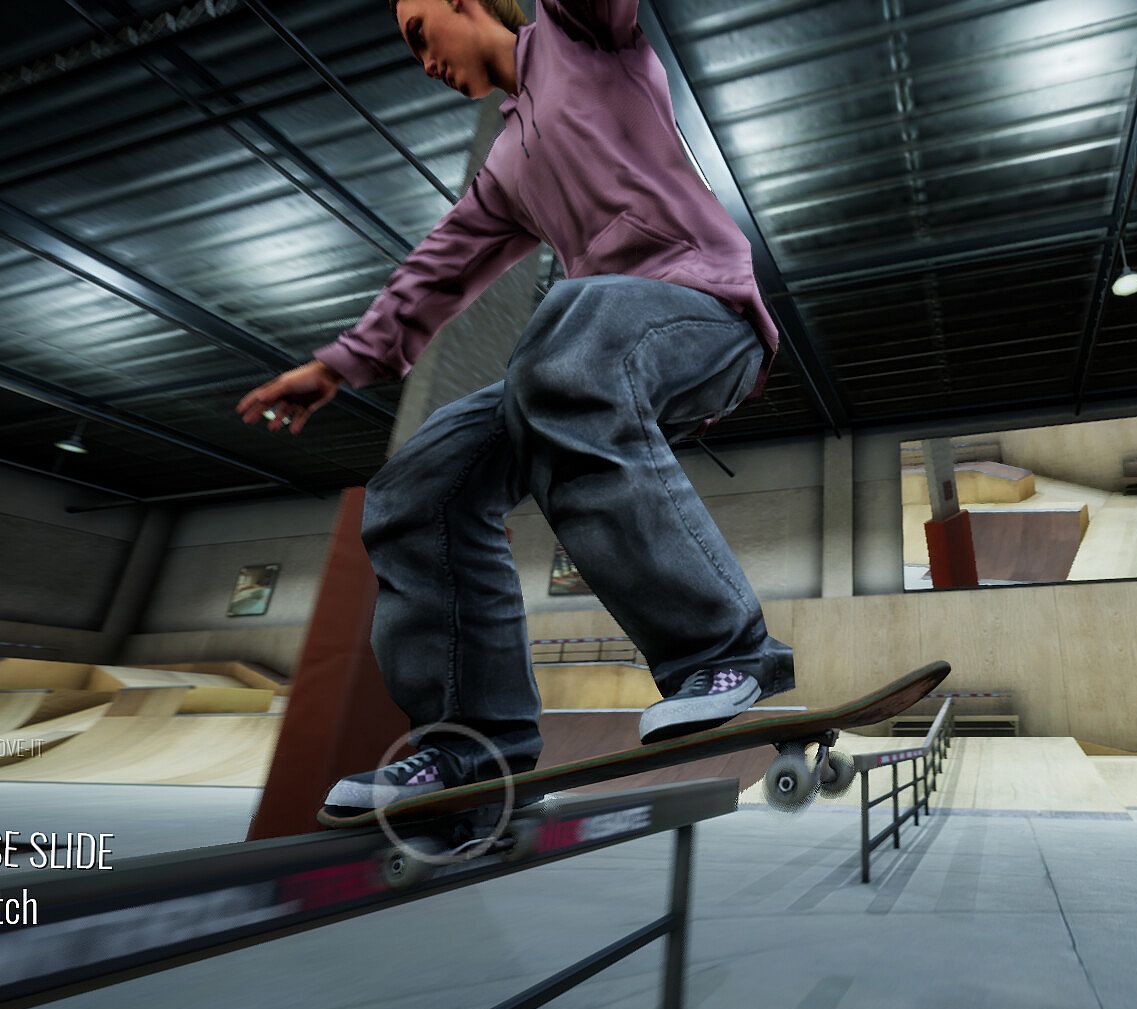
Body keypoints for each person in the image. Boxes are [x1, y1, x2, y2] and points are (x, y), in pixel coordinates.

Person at [236, 0, 794, 810]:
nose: (424, 62)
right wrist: (336, 364)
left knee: (567, 329)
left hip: (704, 316)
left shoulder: (584, 37)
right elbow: (437, 267)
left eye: (421, 34)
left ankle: (725, 650)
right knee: (422, 484)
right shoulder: (502, 167)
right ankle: (473, 749)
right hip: (596, 357)